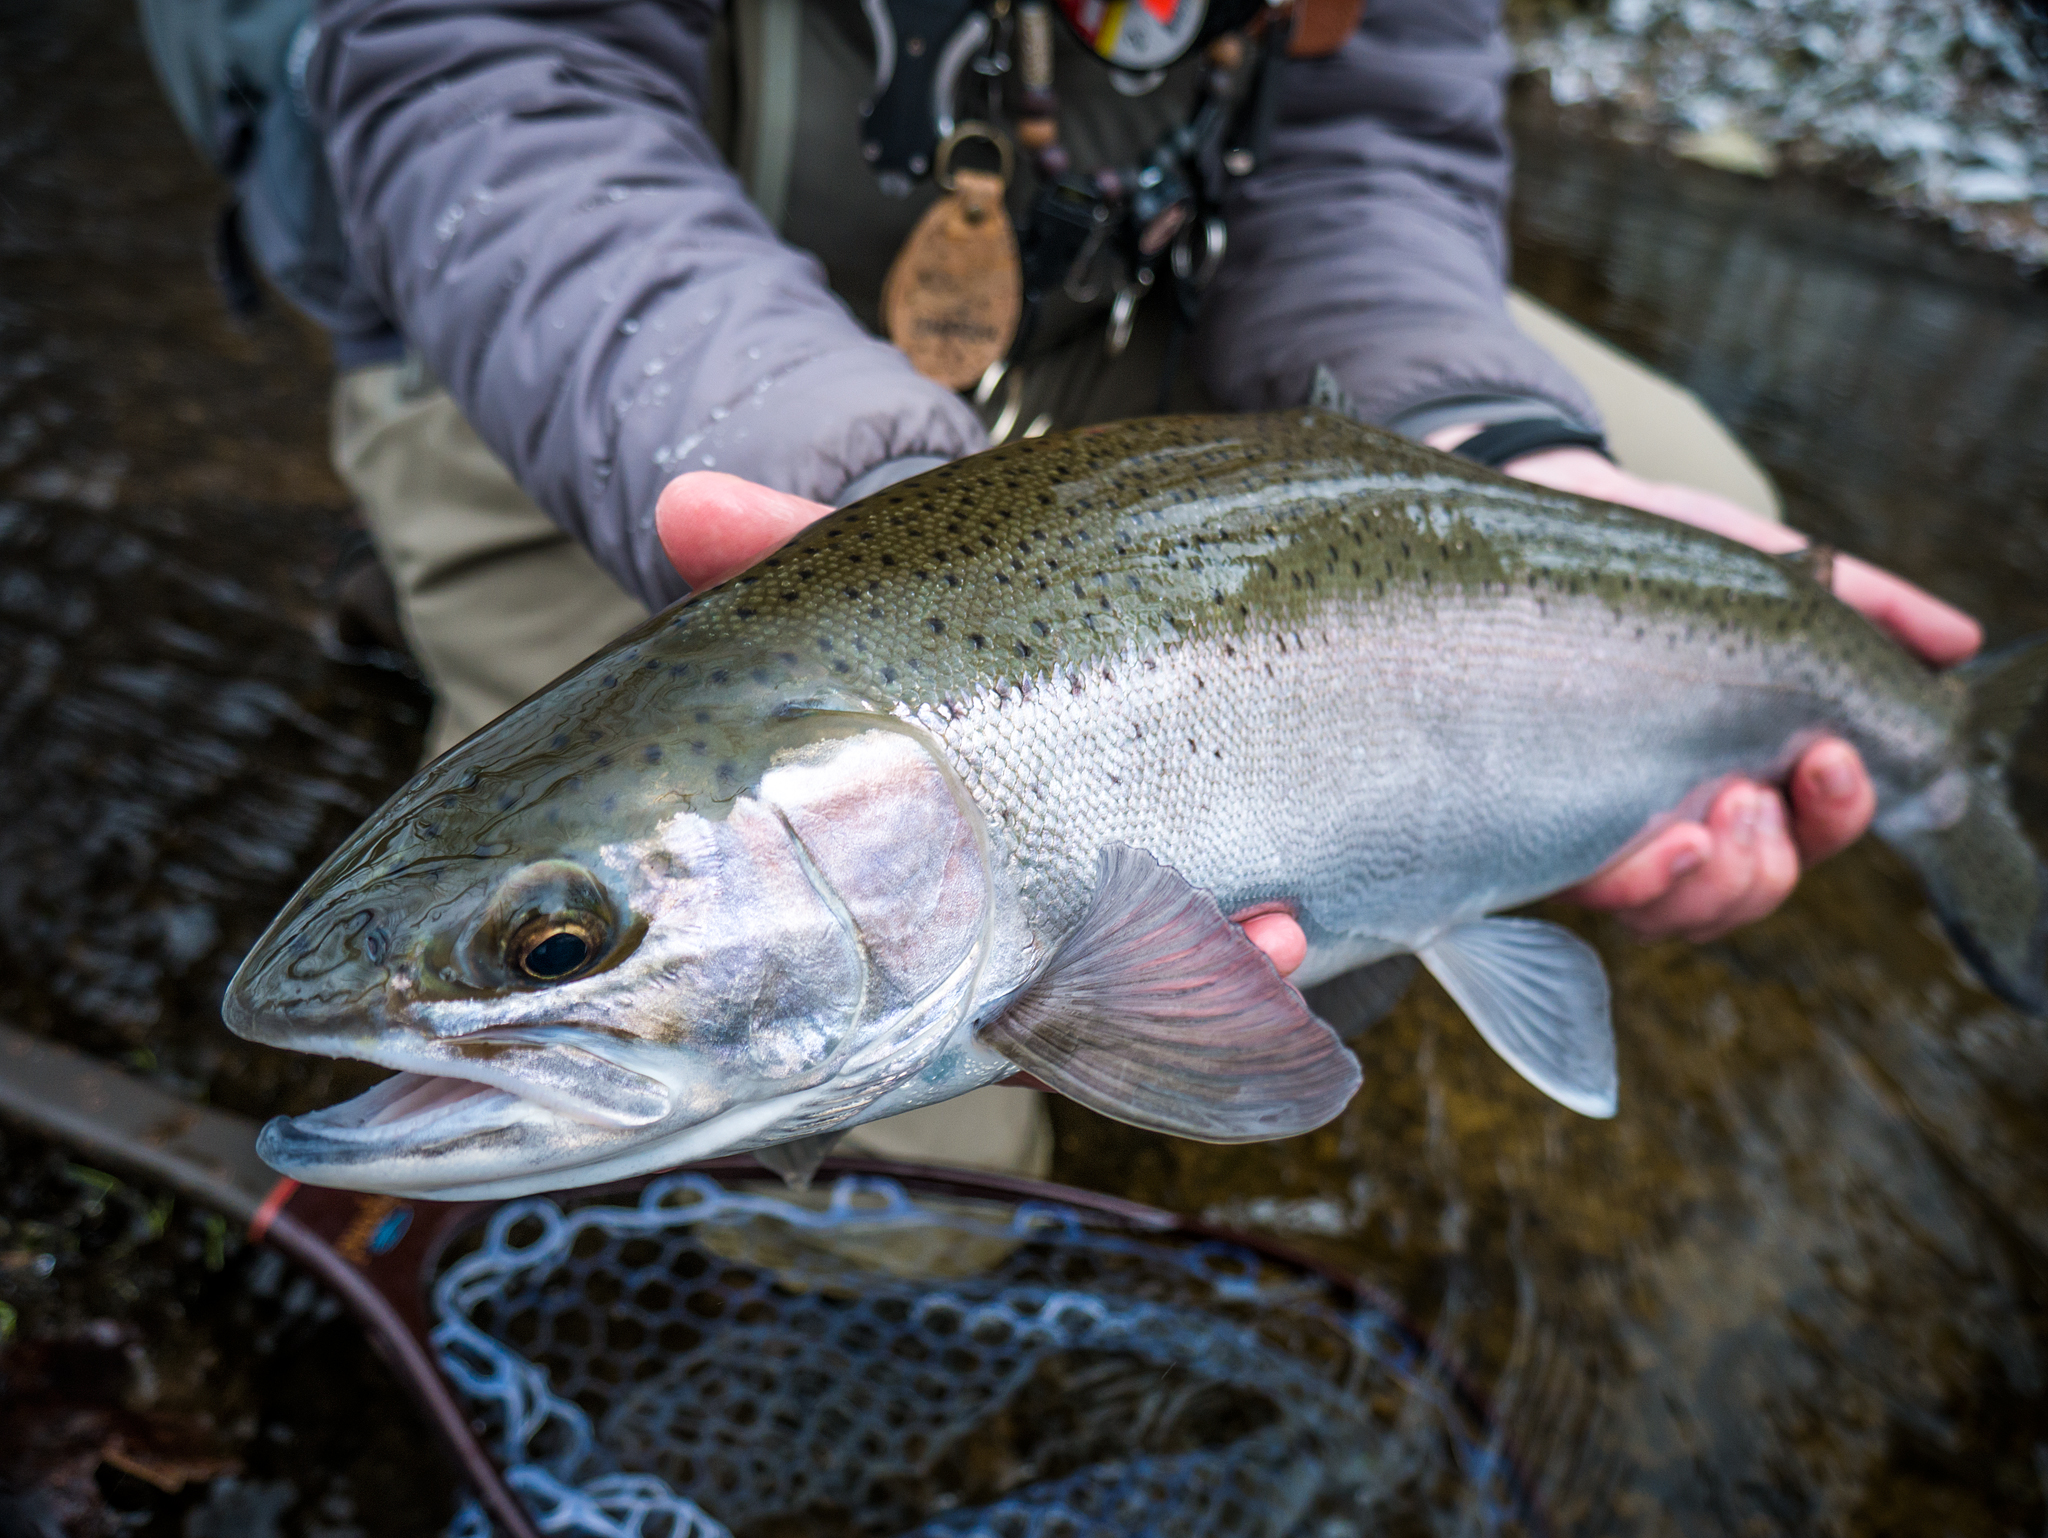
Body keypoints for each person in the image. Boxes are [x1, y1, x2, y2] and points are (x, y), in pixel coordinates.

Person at [205, 0, 1986, 1166]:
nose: (550, 956)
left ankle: (1477, 865)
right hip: (631, 378)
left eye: (550, 944)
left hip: (1133, 309)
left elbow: (1372, 152)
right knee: (899, 1165)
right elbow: (500, 92)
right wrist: (869, 502)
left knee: (1697, 506)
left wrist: (1494, 445)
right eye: (557, 942)